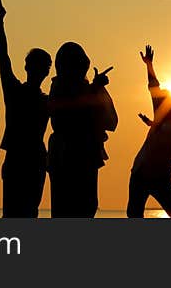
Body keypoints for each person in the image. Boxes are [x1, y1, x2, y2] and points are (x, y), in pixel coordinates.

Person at [0, 0, 51, 218]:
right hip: (28, 159)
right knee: (26, 213)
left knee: (15, 214)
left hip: (25, 160)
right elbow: (2, 56)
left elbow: (3, 57)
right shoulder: (44, 100)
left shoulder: (30, 95)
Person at [47, 42, 118, 217]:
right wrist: (96, 88)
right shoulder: (59, 87)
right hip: (68, 154)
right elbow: (71, 111)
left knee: (86, 206)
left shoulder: (85, 89)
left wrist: (98, 88)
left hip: (84, 154)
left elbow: (111, 121)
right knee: (68, 207)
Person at [127, 45, 171, 218]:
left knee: (135, 215)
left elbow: (153, 86)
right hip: (151, 175)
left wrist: (149, 65)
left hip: (148, 175)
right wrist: (150, 122)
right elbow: (163, 129)